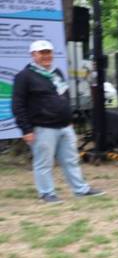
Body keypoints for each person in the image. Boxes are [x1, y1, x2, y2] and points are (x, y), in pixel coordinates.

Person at [12, 40, 103, 203]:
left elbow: (64, 95)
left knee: (71, 160)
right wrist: (26, 129)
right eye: (42, 53)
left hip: (64, 126)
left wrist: (69, 119)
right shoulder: (24, 76)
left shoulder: (56, 73)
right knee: (44, 163)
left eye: (48, 52)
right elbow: (18, 105)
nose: (46, 56)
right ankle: (46, 193)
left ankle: (80, 189)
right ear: (33, 55)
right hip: (42, 128)